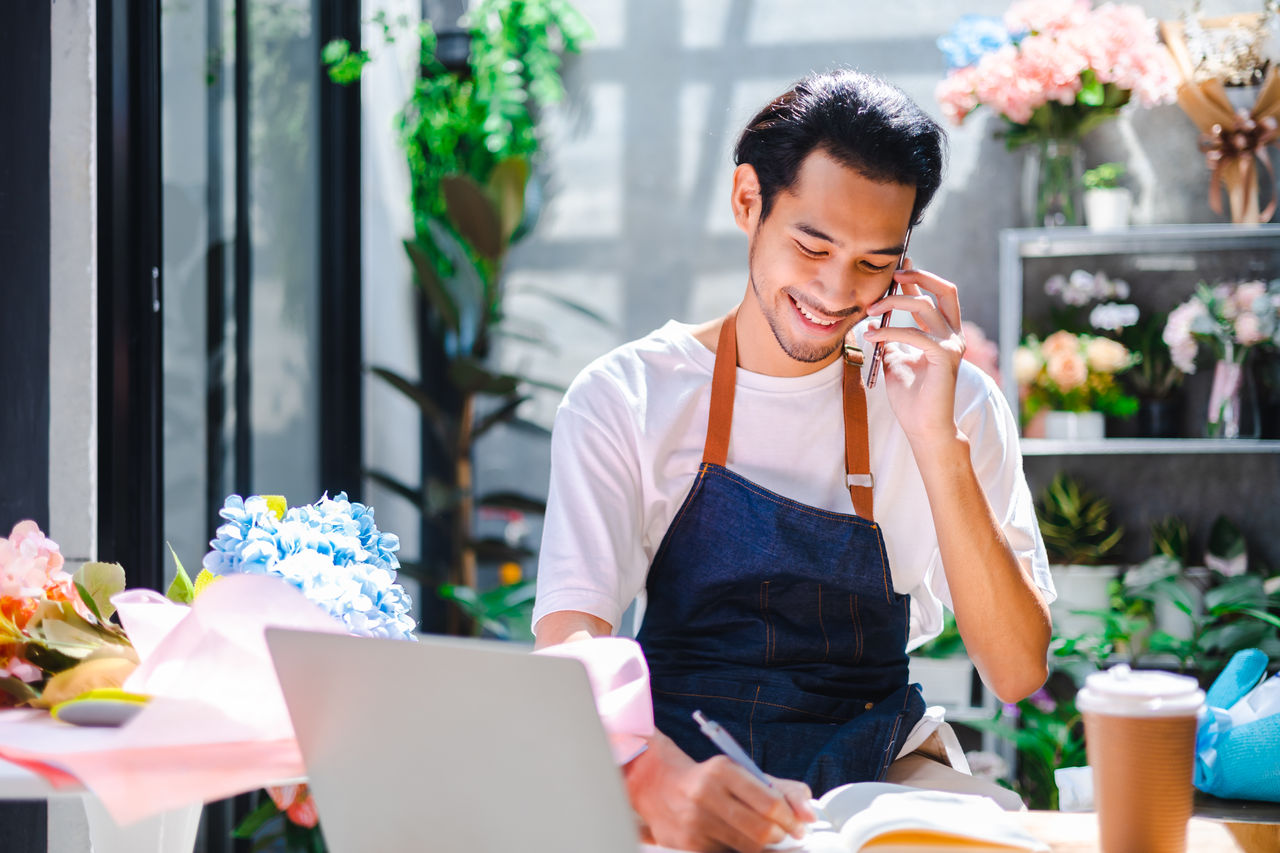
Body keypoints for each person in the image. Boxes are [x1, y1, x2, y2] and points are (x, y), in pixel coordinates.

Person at [532, 69, 1054, 853]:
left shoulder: (955, 402)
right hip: (680, 753)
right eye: (812, 244)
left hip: (876, 768)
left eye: (876, 261)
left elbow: (1016, 670)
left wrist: (935, 441)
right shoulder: (626, 396)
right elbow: (569, 646)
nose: (836, 290)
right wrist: (650, 777)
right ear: (748, 200)